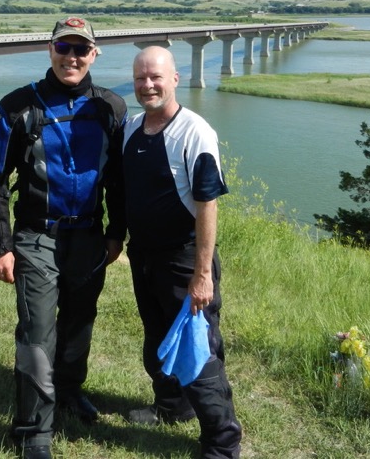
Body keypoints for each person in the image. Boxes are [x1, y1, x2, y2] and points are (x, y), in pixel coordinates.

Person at [0, 17, 127, 459]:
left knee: (80, 323)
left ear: (95, 54)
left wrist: (116, 233)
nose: (72, 57)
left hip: (89, 237)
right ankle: (32, 432)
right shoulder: (19, 105)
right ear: (50, 49)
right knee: (37, 331)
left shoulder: (112, 108)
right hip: (35, 237)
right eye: (64, 47)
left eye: (82, 49)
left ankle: (68, 390)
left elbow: (118, 179)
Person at [122, 45, 242, 459]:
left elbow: (208, 204)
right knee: (157, 340)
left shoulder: (195, 132)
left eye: (156, 76)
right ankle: (172, 407)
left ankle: (222, 442)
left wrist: (202, 274)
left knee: (197, 352)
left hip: (185, 260)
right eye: (140, 78)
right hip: (145, 259)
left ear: (175, 79)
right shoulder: (131, 128)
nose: (147, 85)